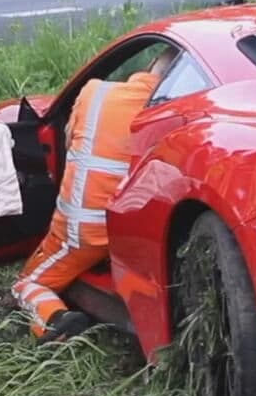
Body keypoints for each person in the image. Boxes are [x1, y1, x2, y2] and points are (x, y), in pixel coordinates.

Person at [12, 47, 179, 341]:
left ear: (150, 65)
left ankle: (54, 321)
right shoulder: (176, 112)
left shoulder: (95, 93)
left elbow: (67, 140)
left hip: (84, 229)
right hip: (136, 228)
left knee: (27, 283)